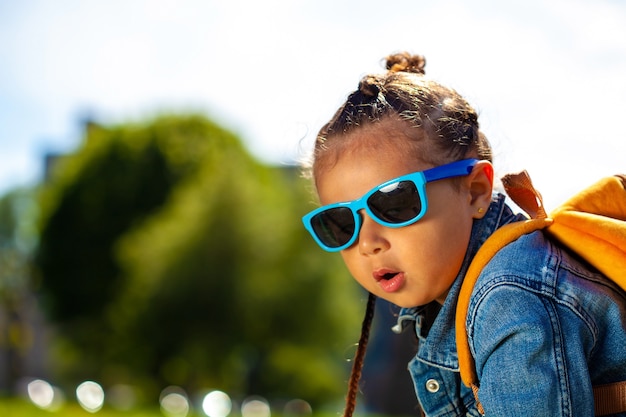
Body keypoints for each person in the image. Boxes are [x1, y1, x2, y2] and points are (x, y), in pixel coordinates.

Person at [301, 52, 626, 417]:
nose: (368, 242)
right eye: (342, 222)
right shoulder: (455, 296)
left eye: (393, 203)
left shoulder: (509, 298)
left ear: (474, 191)